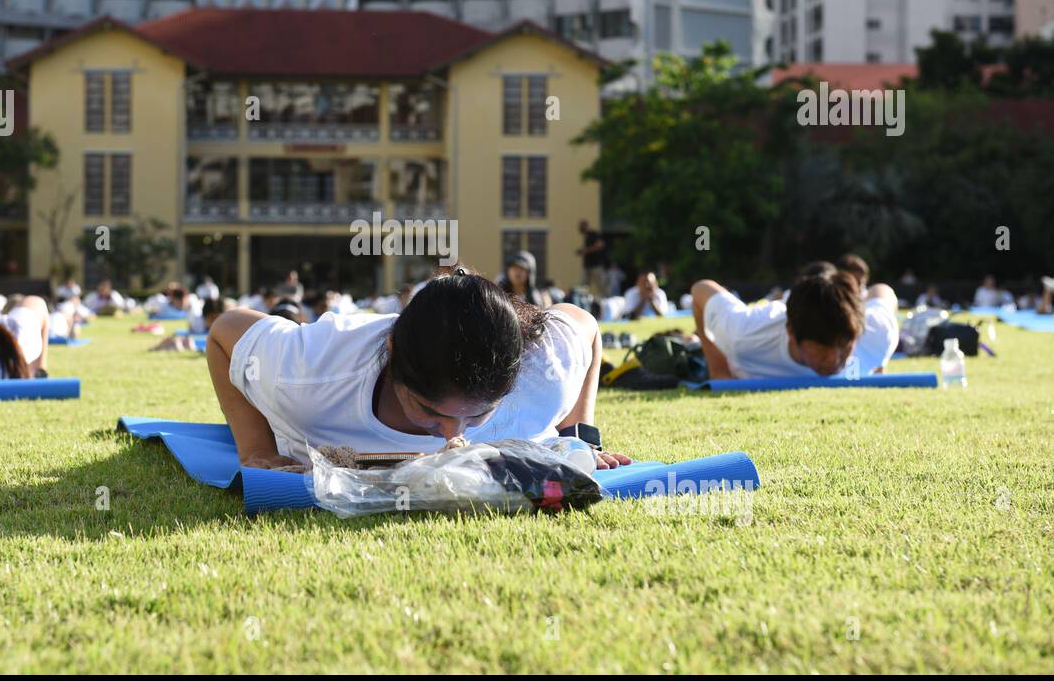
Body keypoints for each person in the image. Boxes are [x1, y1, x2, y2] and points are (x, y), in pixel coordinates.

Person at [206, 267, 629, 471]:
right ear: (392, 361)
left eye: (480, 413)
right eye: (430, 410)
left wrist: (578, 436)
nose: (454, 435)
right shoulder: (308, 374)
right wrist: (256, 449)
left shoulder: (543, 373)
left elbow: (585, 325)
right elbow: (225, 331)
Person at [692, 267, 898, 380]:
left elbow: (883, 290)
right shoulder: (743, 334)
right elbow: (701, 289)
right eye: (823, 349)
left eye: (844, 347)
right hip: (772, 318)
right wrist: (719, 370)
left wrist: (879, 366)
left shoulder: (876, 333)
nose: (835, 359)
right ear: (791, 333)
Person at [576, 220, 607, 297]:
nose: (579, 228)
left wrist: (586, 250)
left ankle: (606, 300)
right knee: (584, 286)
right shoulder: (586, 237)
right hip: (587, 265)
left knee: (601, 285)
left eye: (581, 226)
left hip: (596, 264)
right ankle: (583, 300)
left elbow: (600, 245)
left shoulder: (593, 234)